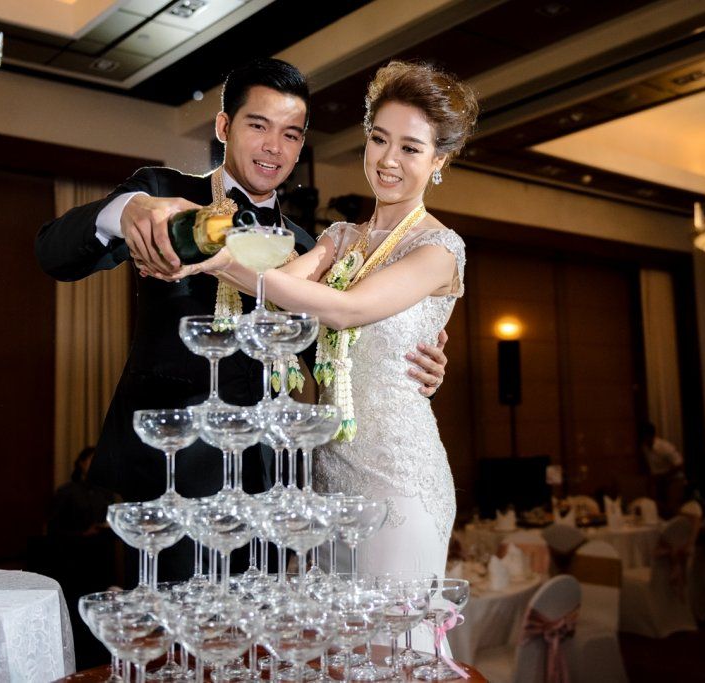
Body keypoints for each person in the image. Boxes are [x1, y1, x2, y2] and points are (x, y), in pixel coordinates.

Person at [34, 58, 448, 580]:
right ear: (224, 126)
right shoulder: (165, 197)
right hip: (173, 466)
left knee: (262, 621)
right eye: (259, 126)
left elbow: (336, 343)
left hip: (272, 479)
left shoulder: (311, 246)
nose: (274, 147)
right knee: (174, 620)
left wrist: (414, 361)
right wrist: (125, 210)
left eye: (291, 135)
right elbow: (54, 254)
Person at [180, 60, 477, 596]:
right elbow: (280, 295)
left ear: (439, 160)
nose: (388, 160)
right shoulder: (341, 238)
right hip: (327, 471)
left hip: (398, 473)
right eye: (379, 139)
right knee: (331, 631)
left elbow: (345, 310)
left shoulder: (439, 249)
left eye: (410, 148)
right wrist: (208, 246)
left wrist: (220, 262)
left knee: (393, 635)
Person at [640, 421, 685, 516]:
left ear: (651, 435)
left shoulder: (665, 447)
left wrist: (665, 475)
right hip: (659, 481)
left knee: (673, 507)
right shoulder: (645, 448)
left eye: (646, 436)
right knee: (659, 508)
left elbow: (679, 464)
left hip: (674, 479)